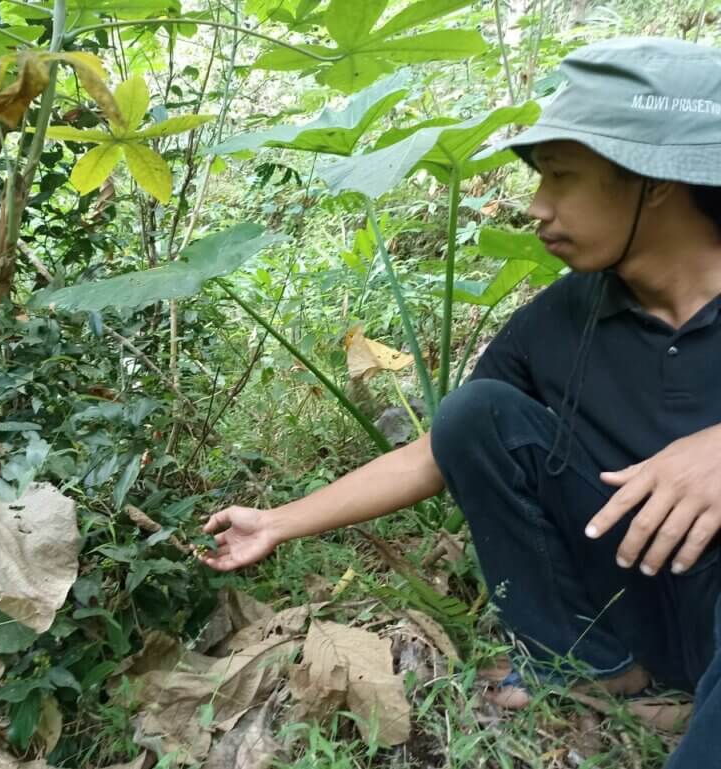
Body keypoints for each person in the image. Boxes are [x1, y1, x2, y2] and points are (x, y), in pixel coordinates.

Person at [200, 37, 721, 767]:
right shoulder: (564, 319)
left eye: (562, 177)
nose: (537, 207)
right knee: (476, 411)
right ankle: (597, 667)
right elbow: (440, 448)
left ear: (655, 180)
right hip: (637, 594)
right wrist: (278, 522)